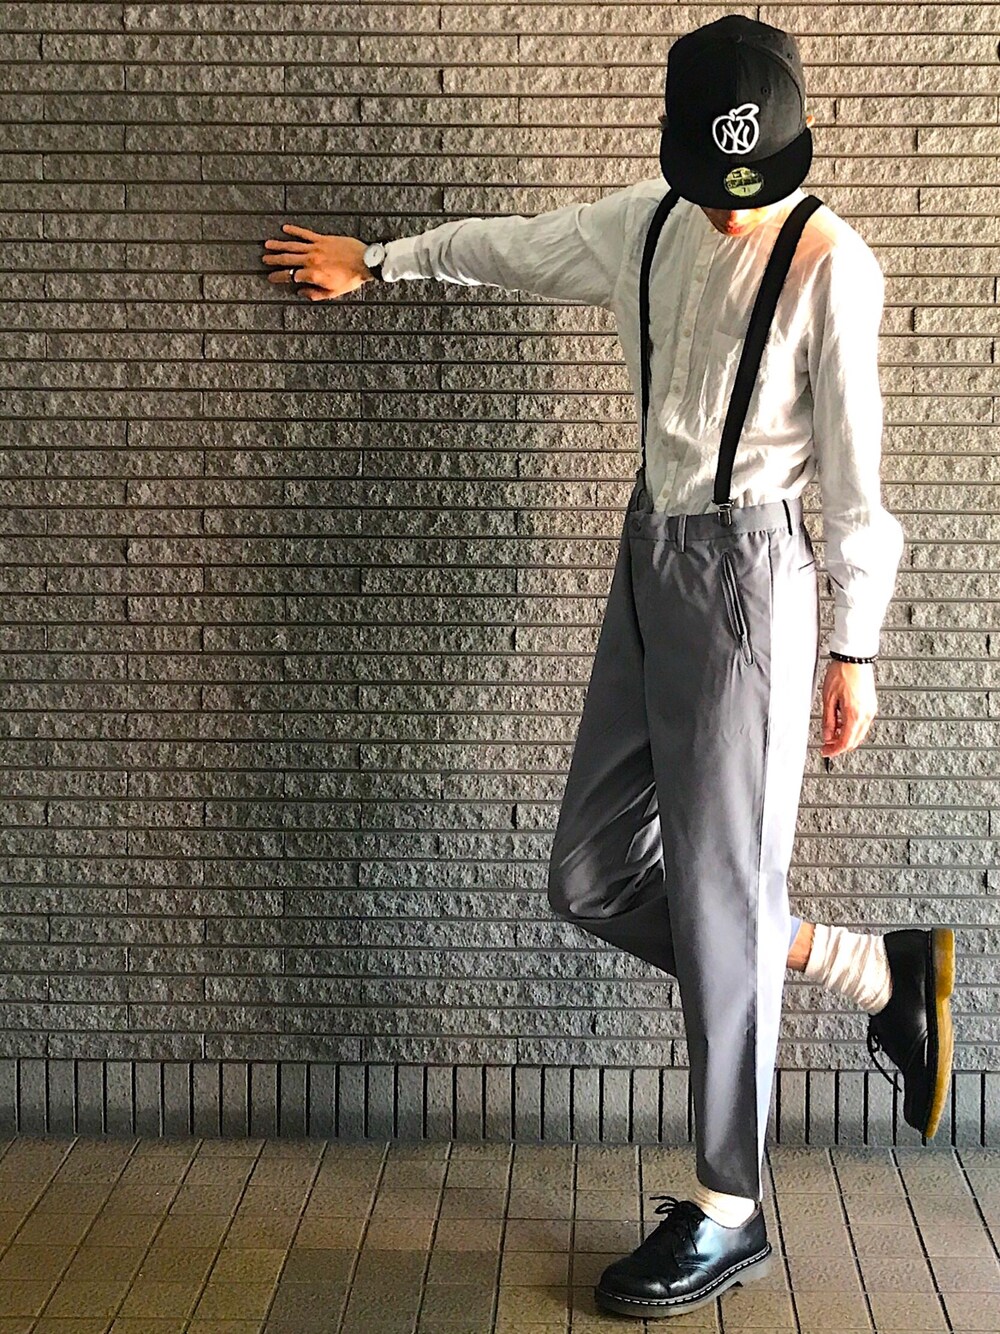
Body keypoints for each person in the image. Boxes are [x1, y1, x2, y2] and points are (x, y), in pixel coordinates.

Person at [261, 13, 956, 1321]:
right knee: (590, 870)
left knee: (723, 895)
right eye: (717, 183)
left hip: (754, 579)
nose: (739, 210)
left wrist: (853, 644)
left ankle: (730, 1207)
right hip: (652, 557)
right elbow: (512, 251)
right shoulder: (646, 227)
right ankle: (872, 970)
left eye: (759, 181)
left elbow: (859, 483)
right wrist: (381, 260)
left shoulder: (833, 264)